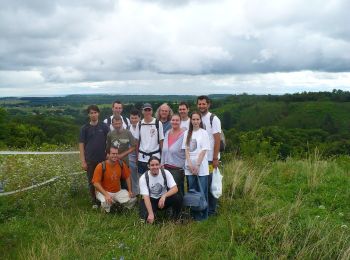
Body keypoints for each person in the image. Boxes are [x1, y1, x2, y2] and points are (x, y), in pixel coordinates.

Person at [79, 104, 109, 208]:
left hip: (103, 159)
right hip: (90, 160)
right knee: (92, 181)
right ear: (88, 115)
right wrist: (83, 161)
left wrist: (108, 155)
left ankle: (104, 199)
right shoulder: (84, 128)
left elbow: (108, 142)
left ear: (98, 113)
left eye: (95, 112)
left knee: (103, 181)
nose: (93, 115)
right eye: (91, 113)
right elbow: (81, 145)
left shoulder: (104, 127)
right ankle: (94, 201)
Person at [182, 111, 210, 221]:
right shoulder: (187, 133)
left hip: (201, 167)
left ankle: (203, 216)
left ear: (200, 120)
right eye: (193, 119)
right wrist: (190, 164)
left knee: (202, 191)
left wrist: (197, 165)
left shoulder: (204, 133)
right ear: (191, 120)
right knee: (192, 191)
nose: (195, 121)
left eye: (197, 119)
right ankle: (194, 215)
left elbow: (204, 150)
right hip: (189, 168)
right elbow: (186, 150)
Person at [197, 95, 222, 216]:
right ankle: (204, 208)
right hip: (201, 160)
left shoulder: (213, 119)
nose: (201, 106)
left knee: (211, 185)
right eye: (200, 104)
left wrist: (215, 158)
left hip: (210, 160)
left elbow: (217, 140)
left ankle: (212, 210)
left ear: (208, 104)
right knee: (203, 185)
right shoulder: (198, 118)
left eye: (203, 104)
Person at [92, 146, 137, 213]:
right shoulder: (101, 166)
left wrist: (130, 190)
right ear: (108, 154)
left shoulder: (121, 163)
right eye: (113, 153)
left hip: (117, 191)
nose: (115, 155)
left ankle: (121, 207)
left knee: (133, 199)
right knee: (105, 203)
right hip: (104, 192)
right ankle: (105, 209)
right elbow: (95, 183)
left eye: (116, 153)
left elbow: (127, 176)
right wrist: (106, 195)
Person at [139, 156, 183, 224]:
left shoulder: (165, 173)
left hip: (163, 200)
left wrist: (164, 196)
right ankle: (154, 217)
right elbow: (146, 198)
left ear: (160, 165)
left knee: (178, 197)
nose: (155, 167)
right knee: (145, 218)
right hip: (151, 200)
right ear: (148, 166)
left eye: (157, 164)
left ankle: (175, 217)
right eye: (152, 165)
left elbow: (175, 188)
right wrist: (150, 213)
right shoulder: (143, 178)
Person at [161, 114, 186, 196]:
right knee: (168, 189)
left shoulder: (184, 134)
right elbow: (164, 151)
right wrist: (162, 163)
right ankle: (171, 207)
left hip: (177, 169)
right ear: (170, 121)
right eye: (173, 120)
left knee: (176, 191)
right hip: (166, 168)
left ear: (180, 121)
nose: (175, 122)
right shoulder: (167, 133)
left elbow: (187, 151)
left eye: (177, 120)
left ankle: (179, 208)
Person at [137, 103, 164, 176]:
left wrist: (162, 159)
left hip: (155, 157)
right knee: (142, 180)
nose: (147, 112)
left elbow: (161, 142)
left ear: (152, 111)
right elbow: (137, 142)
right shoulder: (139, 124)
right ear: (142, 111)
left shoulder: (158, 123)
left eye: (149, 110)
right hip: (142, 158)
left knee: (155, 179)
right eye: (145, 110)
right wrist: (137, 157)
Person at [128, 109, 141, 195]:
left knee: (141, 177)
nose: (134, 120)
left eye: (136, 118)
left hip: (141, 157)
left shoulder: (143, 127)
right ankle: (135, 195)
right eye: (132, 118)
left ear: (140, 118)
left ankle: (143, 195)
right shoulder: (127, 129)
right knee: (133, 178)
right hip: (130, 158)